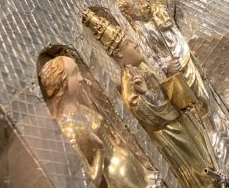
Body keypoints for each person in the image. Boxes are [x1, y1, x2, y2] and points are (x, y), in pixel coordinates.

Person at [83, 8, 218, 188]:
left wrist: (172, 76)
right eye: (128, 43)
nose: (135, 44)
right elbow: (145, 114)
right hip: (170, 133)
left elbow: (164, 94)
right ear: (119, 54)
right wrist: (145, 93)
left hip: (178, 122)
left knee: (205, 157)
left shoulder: (142, 68)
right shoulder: (130, 82)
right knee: (197, 167)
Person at [40, 55, 160, 188]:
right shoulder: (69, 129)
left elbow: (108, 133)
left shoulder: (81, 108)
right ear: (61, 84)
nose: (80, 78)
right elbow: (90, 179)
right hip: (117, 178)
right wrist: (100, 150)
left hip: (127, 163)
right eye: (74, 73)